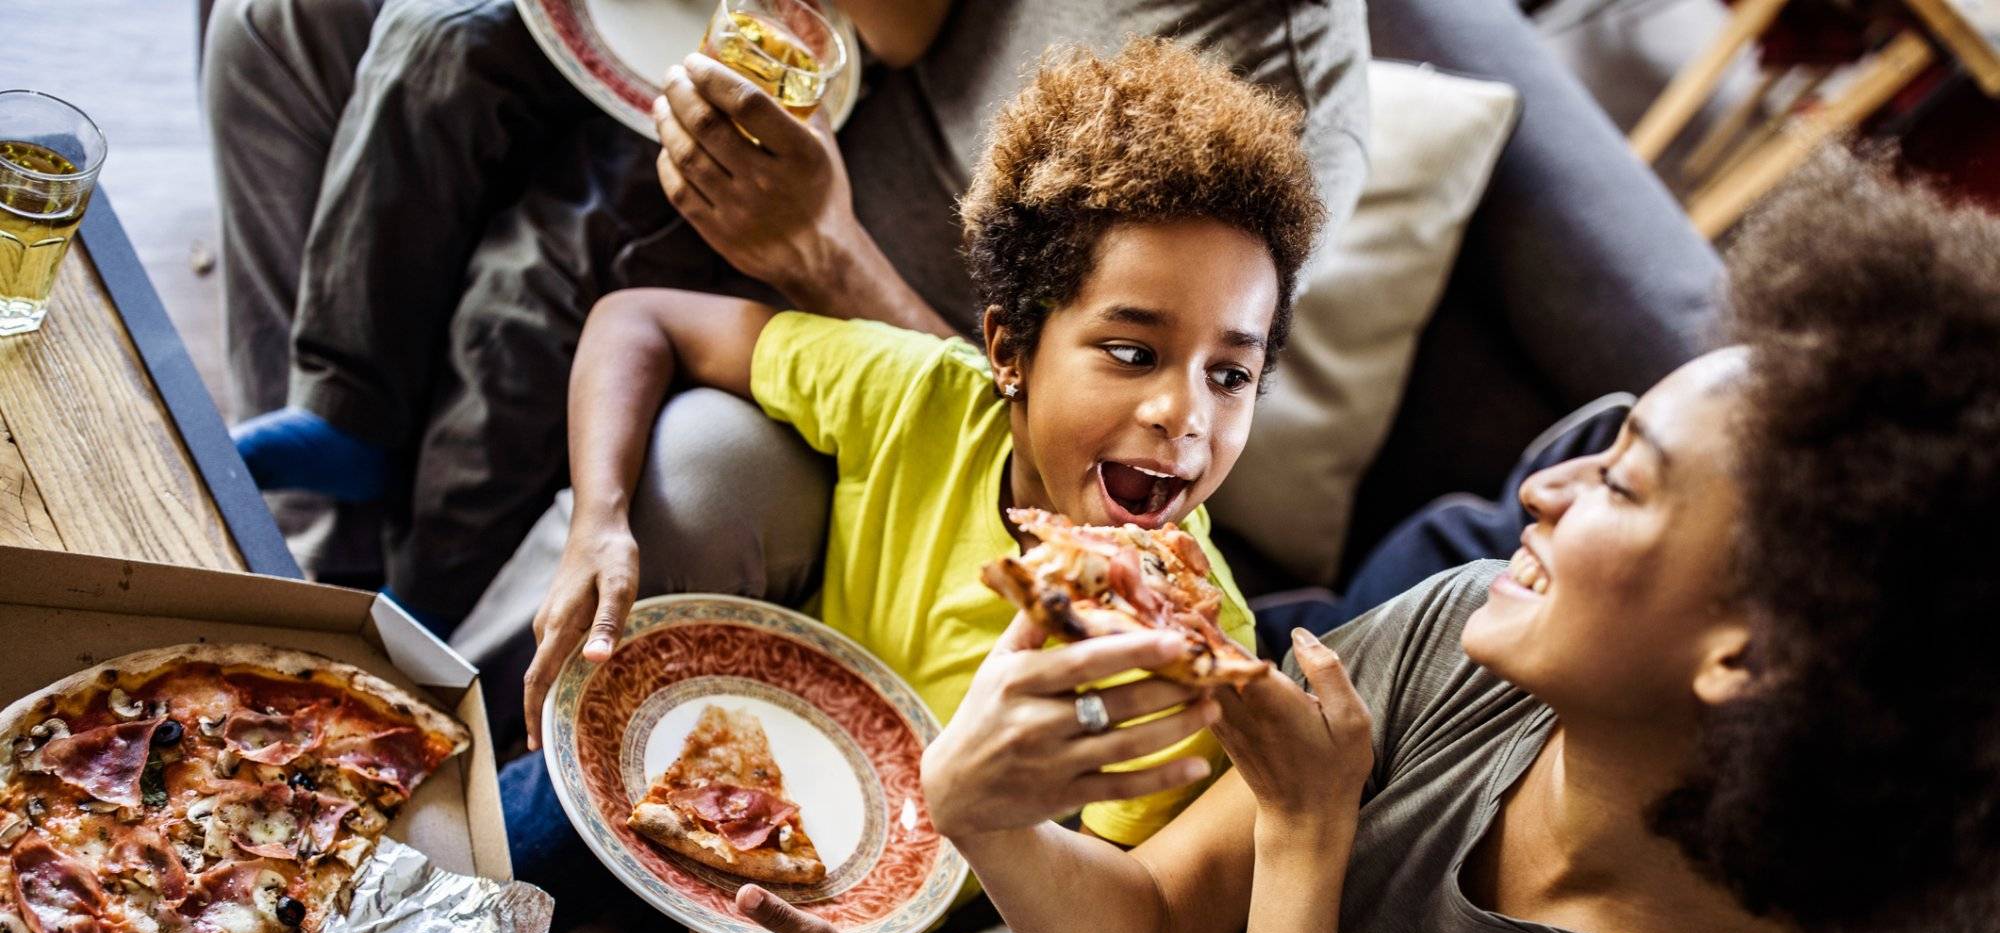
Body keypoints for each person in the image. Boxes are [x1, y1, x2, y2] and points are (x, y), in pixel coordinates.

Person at [652, 150, 2000, 933]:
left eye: (1624, 478)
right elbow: (1149, 928)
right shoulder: (1477, 624)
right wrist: (984, 808)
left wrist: (1310, 833)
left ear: (1750, 653)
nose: (1542, 486)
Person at [514, 34, 1341, 933]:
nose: (1179, 414)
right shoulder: (922, 396)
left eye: (1228, 372)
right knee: (450, 864)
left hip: (854, 928)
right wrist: (598, 527)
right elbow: (639, 320)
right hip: (729, 742)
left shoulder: (1188, 654)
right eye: (1128, 349)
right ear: (1007, 348)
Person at [202, 0, 1367, 631]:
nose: (1191, 411)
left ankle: (403, 624)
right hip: (760, 82)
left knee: (553, 267)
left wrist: (818, 250)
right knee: (306, 23)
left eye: (1226, 382)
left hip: (868, 275)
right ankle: (319, 508)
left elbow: (1036, 386)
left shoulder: (1255, 103)